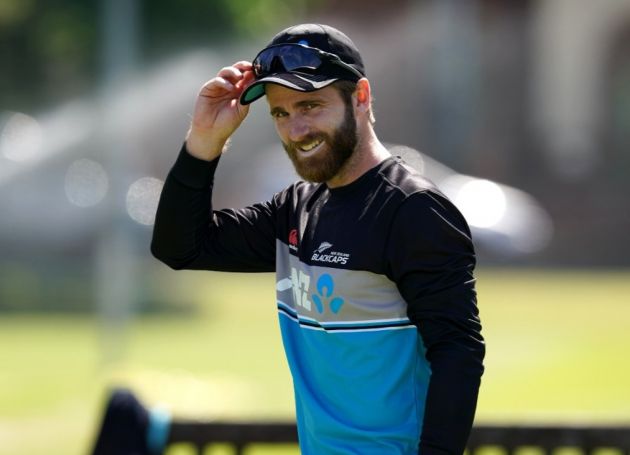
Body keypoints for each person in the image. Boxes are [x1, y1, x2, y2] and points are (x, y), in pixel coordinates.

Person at [151, 23, 484, 454]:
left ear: (359, 97)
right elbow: (179, 247)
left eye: (310, 105)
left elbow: (458, 353)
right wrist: (204, 140)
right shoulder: (297, 207)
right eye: (281, 113)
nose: (296, 129)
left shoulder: (413, 210)